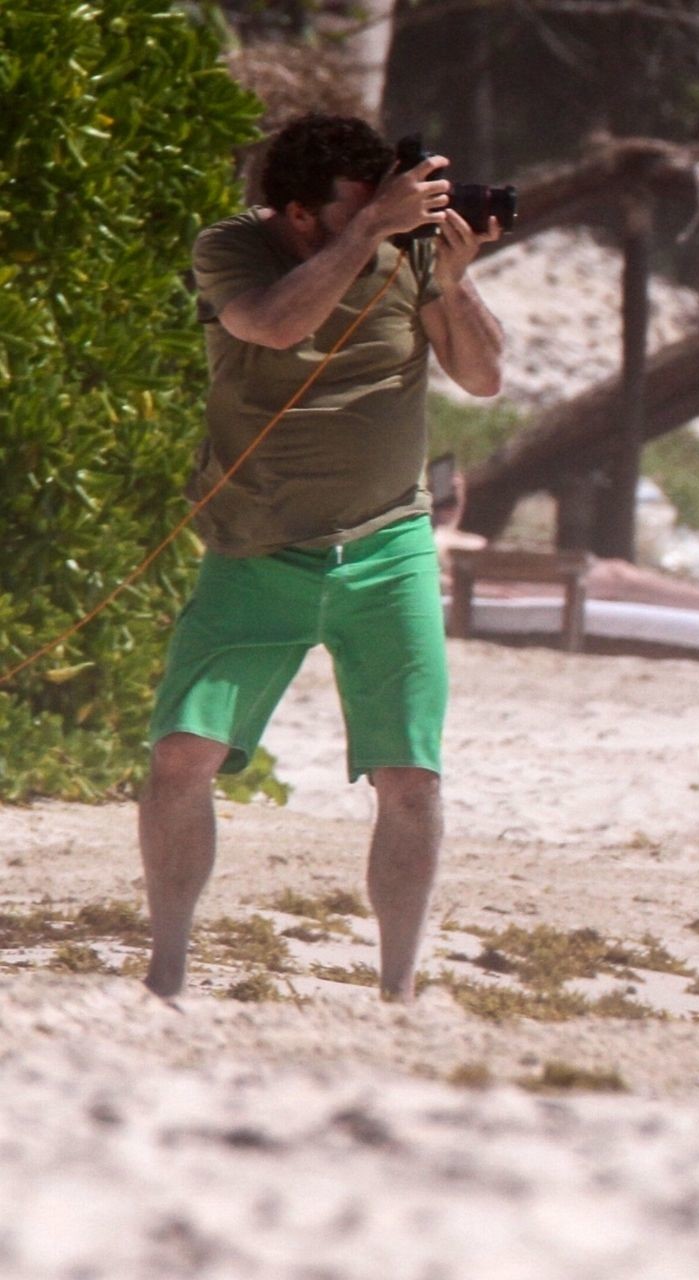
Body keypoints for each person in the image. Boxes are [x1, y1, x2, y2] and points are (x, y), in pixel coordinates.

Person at [140, 114, 505, 1002]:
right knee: (182, 757)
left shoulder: (407, 252)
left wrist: (450, 282)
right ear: (300, 213)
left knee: (410, 777)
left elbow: (484, 378)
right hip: (257, 548)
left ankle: (397, 992)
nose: (387, 214)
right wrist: (371, 232)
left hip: (389, 545)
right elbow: (271, 325)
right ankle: (166, 971)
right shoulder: (233, 247)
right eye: (359, 204)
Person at [431, 472, 699, 617]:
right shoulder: (414, 543)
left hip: (504, 570)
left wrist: (454, 510)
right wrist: (486, 593)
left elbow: (450, 543)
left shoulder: (427, 531)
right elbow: (430, 583)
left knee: (618, 575)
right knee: (618, 578)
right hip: (497, 579)